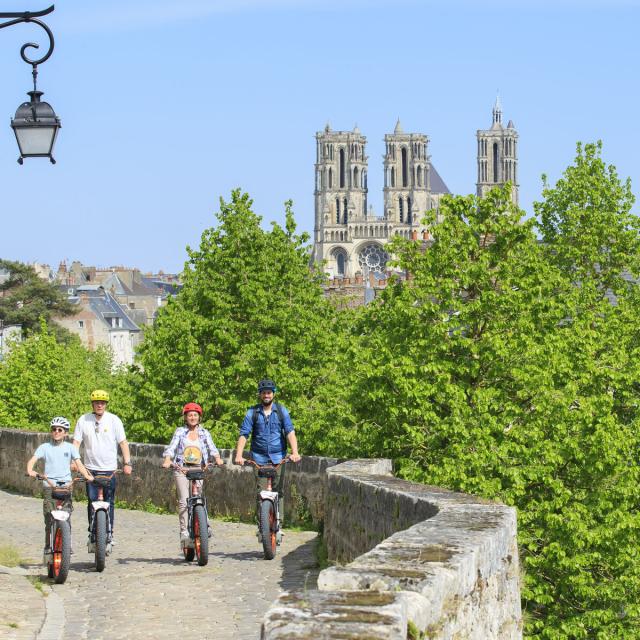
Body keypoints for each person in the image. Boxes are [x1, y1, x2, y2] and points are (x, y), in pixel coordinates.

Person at [234, 379, 301, 539]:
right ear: (260, 394)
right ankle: (262, 525)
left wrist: (295, 452)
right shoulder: (253, 412)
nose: (266, 395)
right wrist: (238, 455)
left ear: (273, 394)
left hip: (279, 457)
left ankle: (279, 523)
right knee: (261, 492)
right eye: (263, 392)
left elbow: (290, 432)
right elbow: (244, 434)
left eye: (269, 392)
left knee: (279, 491)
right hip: (259, 457)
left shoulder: (281, 411)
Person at [72, 390, 132, 547]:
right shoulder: (83, 420)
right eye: (97, 402)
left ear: (106, 404)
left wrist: (127, 463)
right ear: (92, 404)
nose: (100, 405)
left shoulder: (114, 420)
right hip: (90, 469)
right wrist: (74, 461)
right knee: (91, 501)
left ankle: (109, 534)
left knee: (109, 502)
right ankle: (92, 533)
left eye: (102, 402)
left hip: (109, 469)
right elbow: (76, 443)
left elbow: (123, 443)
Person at [26, 417, 94, 554]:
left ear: (65, 433)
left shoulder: (70, 448)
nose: (56, 432)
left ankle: (67, 544)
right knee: (49, 517)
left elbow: (79, 464)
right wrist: (30, 470)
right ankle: (47, 546)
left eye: (59, 430)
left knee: (66, 516)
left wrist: (87, 476)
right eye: (54, 429)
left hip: (66, 486)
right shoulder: (44, 447)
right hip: (49, 486)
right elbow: (32, 460)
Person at [162, 402, 224, 546]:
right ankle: (184, 531)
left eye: (195, 415)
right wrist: (167, 459)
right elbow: (172, 447)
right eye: (189, 415)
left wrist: (217, 458)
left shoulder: (204, 433)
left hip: (198, 468)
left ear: (199, 417)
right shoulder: (180, 432)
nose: (192, 417)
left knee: (199, 498)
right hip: (182, 468)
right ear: (185, 417)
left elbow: (212, 447)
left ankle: (205, 525)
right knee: (184, 499)